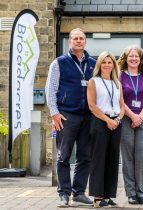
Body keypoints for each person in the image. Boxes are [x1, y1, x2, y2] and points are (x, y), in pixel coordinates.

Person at [45, 28, 96, 207]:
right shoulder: (59, 62)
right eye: (75, 38)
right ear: (70, 41)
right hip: (66, 115)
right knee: (63, 156)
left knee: (85, 156)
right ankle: (64, 193)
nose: (79, 41)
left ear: (85, 42)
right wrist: (54, 113)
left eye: (81, 38)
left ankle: (79, 192)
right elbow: (50, 89)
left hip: (88, 116)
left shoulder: (93, 64)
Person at [117, 46, 143, 205]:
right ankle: (131, 193)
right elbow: (119, 100)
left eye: (136, 56)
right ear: (125, 59)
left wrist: (139, 116)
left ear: (141, 59)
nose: (133, 59)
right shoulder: (119, 76)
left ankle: (141, 192)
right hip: (126, 118)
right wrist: (132, 116)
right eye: (130, 56)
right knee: (128, 158)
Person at [87, 51, 125, 208]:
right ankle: (97, 197)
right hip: (100, 123)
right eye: (104, 62)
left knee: (112, 160)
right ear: (99, 65)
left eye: (110, 62)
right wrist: (107, 120)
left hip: (115, 123)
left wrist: (117, 119)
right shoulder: (94, 81)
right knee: (99, 160)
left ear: (114, 65)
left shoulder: (117, 83)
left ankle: (108, 195)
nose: (107, 65)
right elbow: (92, 105)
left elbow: (122, 106)